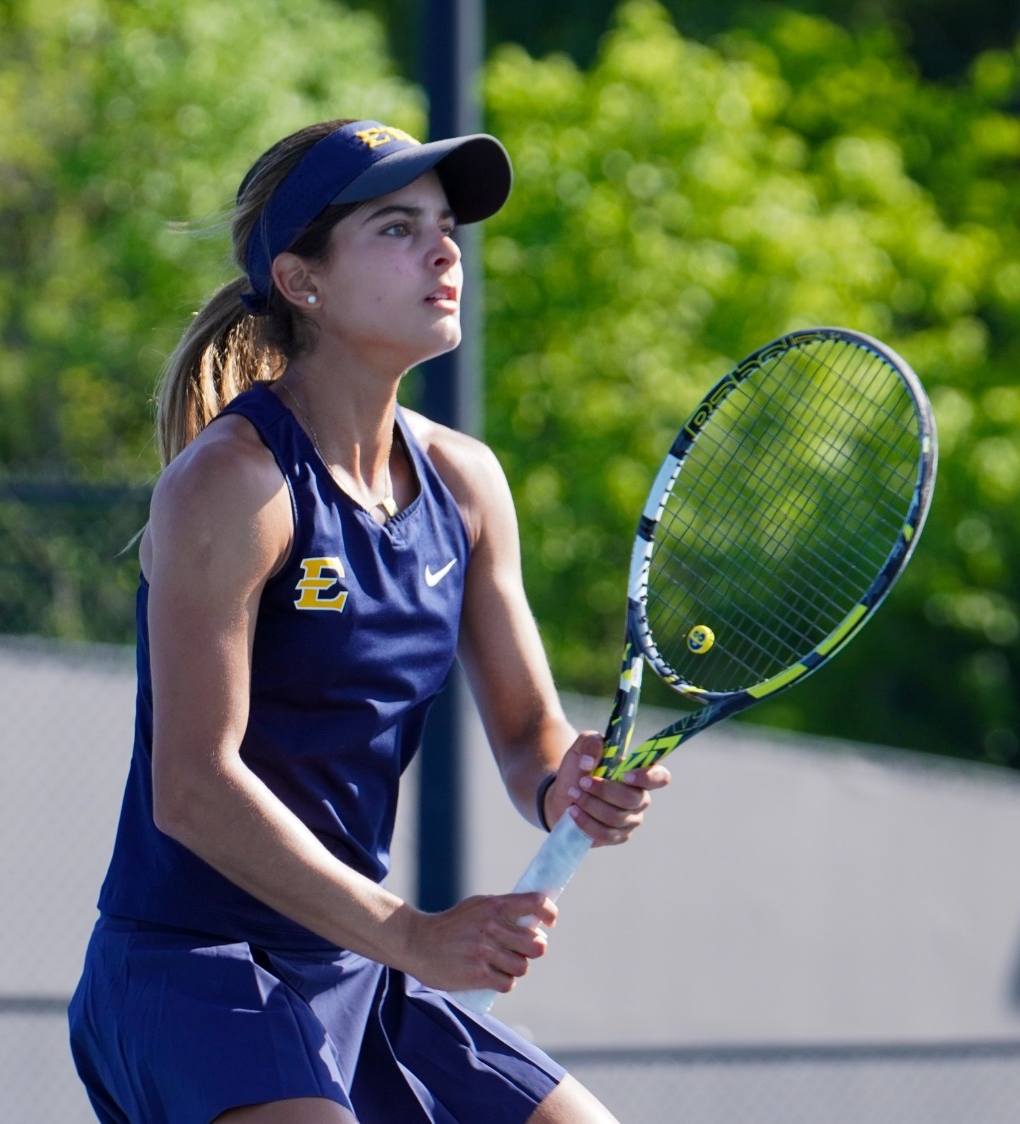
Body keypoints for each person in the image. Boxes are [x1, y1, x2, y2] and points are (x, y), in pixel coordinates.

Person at [68, 119, 671, 1124]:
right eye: (397, 228)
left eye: (445, 225)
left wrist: (570, 778)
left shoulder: (464, 483)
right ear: (301, 281)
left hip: (359, 968)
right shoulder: (233, 483)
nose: (444, 251)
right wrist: (411, 933)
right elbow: (191, 788)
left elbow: (528, 742)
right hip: (190, 971)